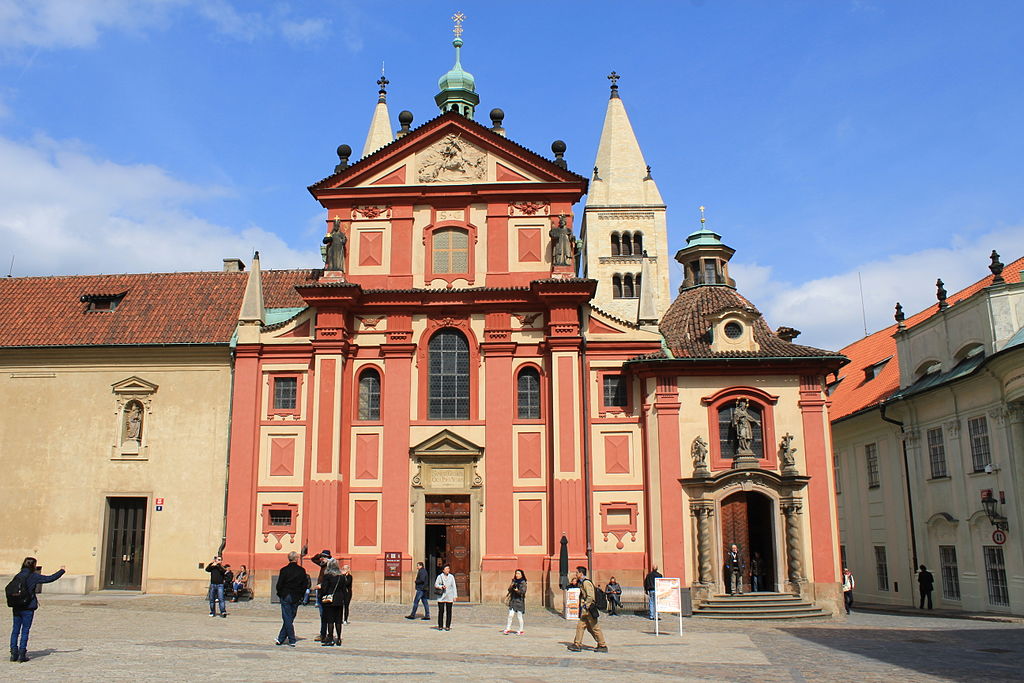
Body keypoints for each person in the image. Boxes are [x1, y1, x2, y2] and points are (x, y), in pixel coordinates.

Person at [8, 557, 64, 663]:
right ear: (33, 565)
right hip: (28, 607)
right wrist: (61, 571)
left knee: (15, 630)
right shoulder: (33, 576)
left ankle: (13, 653)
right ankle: (22, 653)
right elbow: (49, 579)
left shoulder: (18, 576)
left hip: (17, 606)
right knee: (25, 630)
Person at [567, 566, 607, 653]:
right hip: (585, 610)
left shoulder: (586, 583)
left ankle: (602, 645)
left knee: (595, 627)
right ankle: (577, 644)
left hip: (589, 609)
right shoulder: (581, 583)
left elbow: (590, 596)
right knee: (581, 626)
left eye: (577, 572)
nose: (576, 574)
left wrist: (586, 606)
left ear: (581, 573)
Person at [275, 551, 308, 647]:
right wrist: (301, 595)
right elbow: (304, 584)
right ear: (296, 559)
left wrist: (280, 594)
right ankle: (288, 639)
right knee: (290, 617)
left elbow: (279, 584)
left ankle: (284, 639)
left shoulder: (284, 570)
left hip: (286, 595)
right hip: (296, 596)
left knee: (287, 617)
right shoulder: (301, 570)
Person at [318, 559, 344, 646]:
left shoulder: (328, 576)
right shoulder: (341, 577)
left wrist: (321, 590)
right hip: (339, 600)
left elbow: (324, 588)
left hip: (330, 600)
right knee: (338, 620)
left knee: (330, 620)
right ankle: (339, 638)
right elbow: (344, 589)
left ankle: (330, 638)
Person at [310, 550, 331, 641]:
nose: (322, 558)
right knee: (322, 614)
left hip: (325, 591)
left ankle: (325, 635)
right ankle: (323, 634)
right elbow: (313, 559)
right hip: (320, 591)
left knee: (325, 614)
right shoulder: (322, 564)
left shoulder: (329, 567)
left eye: (324, 557)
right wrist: (320, 555)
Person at [503, 569, 527, 635]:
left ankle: (521, 630)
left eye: (518, 573)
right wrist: (512, 585)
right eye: (516, 573)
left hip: (519, 601)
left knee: (519, 616)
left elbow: (522, 592)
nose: (517, 575)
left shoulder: (523, 582)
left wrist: (517, 590)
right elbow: (509, 590)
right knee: (510, 615)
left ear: (522, 575)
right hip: (513, 600)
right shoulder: (514, 581)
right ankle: (508, 628)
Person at [434, 564, 457, 631]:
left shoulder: (451, 577)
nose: (448, 570)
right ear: (443, 570)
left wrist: (455, 596)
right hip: (441, 596)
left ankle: (447, 626)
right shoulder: (439, 576)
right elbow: (436, 584)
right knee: (441, 611)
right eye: (446, 569)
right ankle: (440, 625)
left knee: (449, 611)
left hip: (449, 596)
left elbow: (454, 587)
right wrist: (441, 587)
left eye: (448, 569)